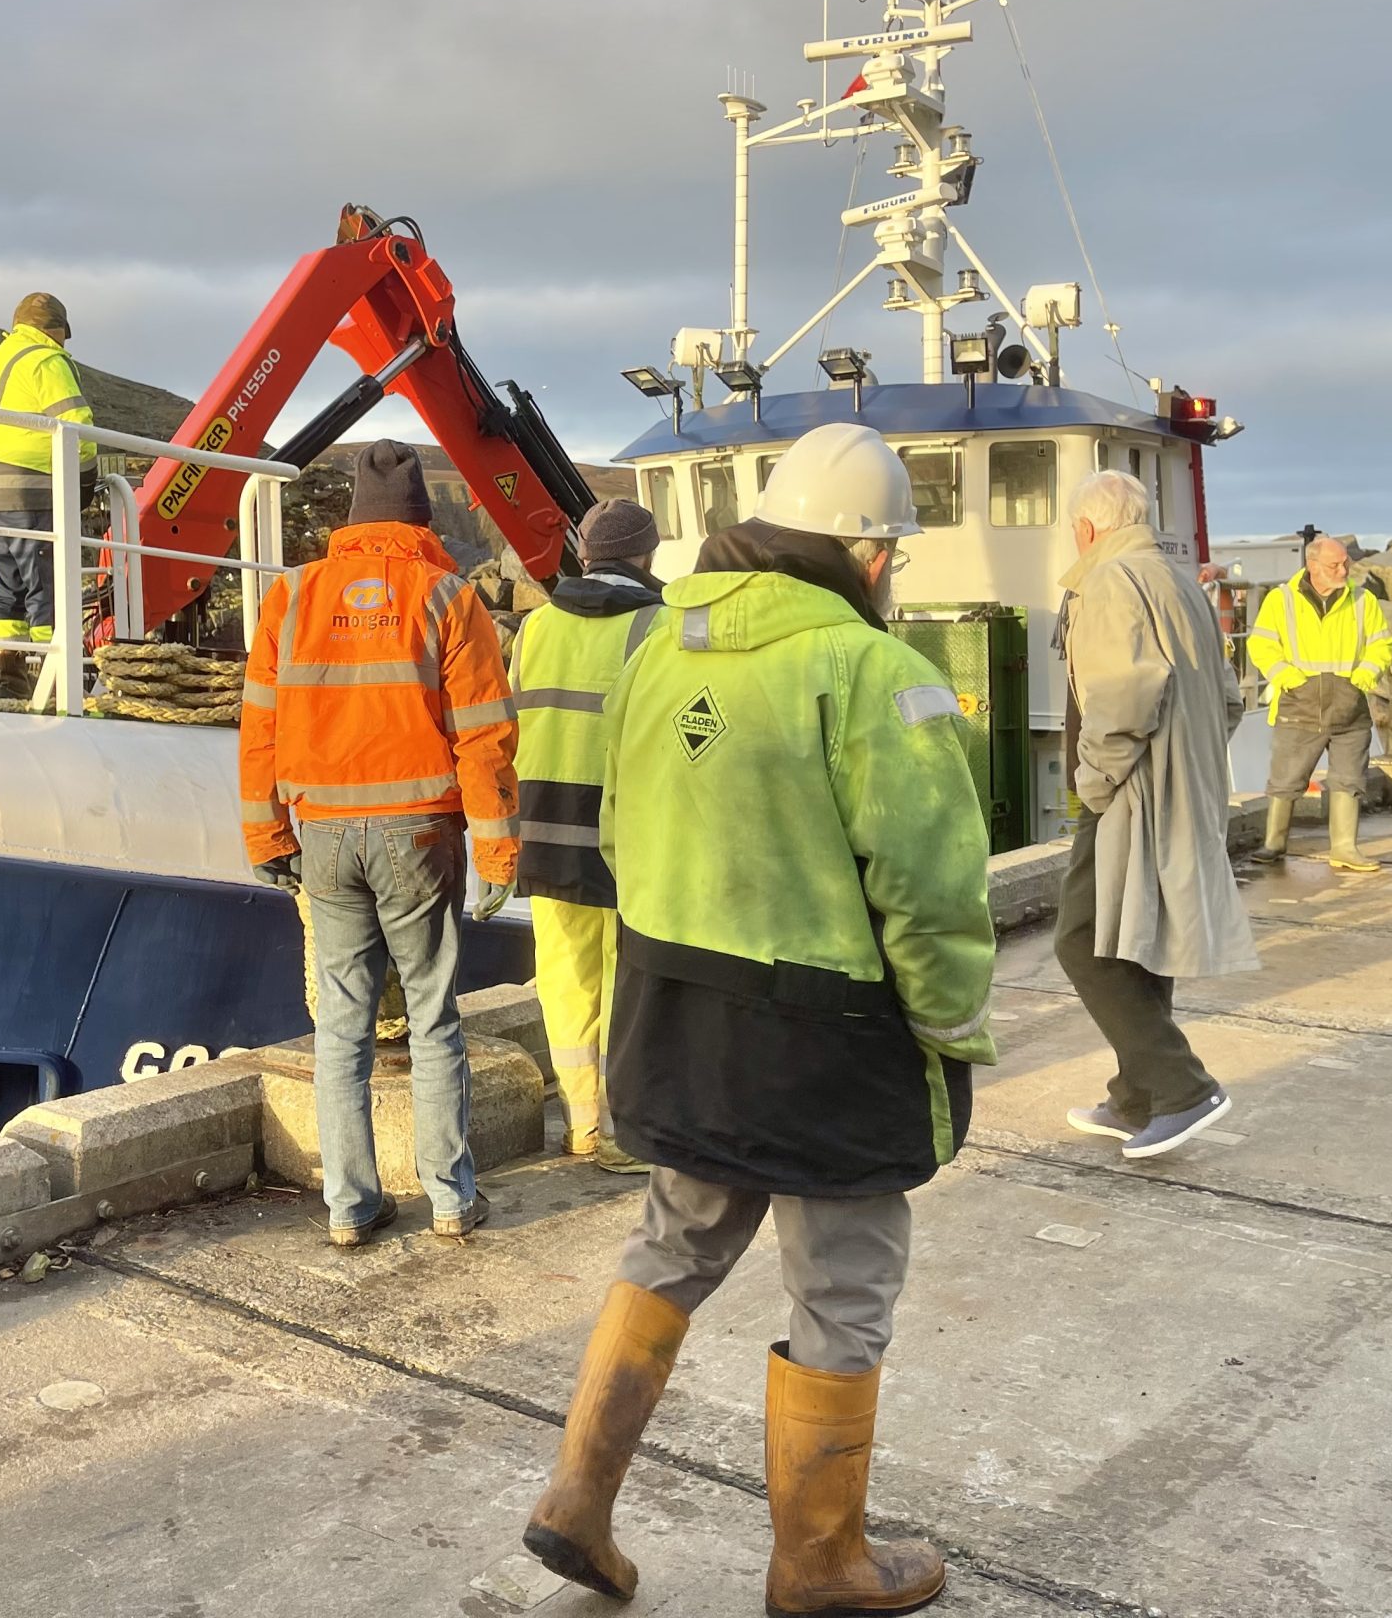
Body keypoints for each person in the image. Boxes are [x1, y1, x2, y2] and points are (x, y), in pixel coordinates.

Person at [523, 425, 994, 1616]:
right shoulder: (875, 672)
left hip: (676, 1014)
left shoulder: (659, 654)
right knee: (842, 1284)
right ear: (871, 555)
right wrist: (946, 1030)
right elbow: (933, 889)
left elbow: (623, 836)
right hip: (825, 1038)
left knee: (672, 1242)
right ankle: (821, 1560)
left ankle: (576, 1494)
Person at [238, 441, 518, 1246]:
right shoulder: (447, 598)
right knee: (432, 1018)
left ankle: (350, 1208)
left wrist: (266, 833)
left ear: (351, 521)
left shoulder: (290, 597)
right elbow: (484, 740)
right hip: (418, 835)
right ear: (422, 521)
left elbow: (259, 727)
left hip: (322, 835)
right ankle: (453, 1201)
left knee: (343, 1027)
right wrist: (498, 855)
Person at [1055, 468, 1257, 1160]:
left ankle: (1183, 1088)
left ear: (1086, 528)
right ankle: (1135, 1097)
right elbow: (1230, 699)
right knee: (1134, 937)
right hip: (1186, 787)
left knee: (1082, 941)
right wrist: (1188, 761)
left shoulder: (1110, 582)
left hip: (1129, 791)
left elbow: (1122, 697)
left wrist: (1098, 782)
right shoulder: (1180, 581)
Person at [508, 498, 664, 1175]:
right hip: (624, 833)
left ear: (586, 554)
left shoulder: (536, 627)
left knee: (566, 980)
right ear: (647, 555)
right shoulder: (658, 628)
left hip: (542, 829)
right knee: (630, 982)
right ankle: (623, 1133)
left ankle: (581, 1125)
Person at [1246, 532, 1392, 873]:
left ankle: (1345, 848)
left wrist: (1364, 677)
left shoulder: (1363, 600)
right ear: (1312, 565)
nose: (1343, 570)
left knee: (1349, 779)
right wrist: (1288, 677)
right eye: (1335, 564)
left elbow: (1381, 645)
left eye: (1346, 564)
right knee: (1285, 779)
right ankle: (1274, 843)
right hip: (1297, 704)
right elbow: (1262, 644)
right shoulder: (1280, 600)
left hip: (1350, 708)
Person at [0, 291, 95, 695]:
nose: (64, 343)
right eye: (64, 334)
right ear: (54, 329)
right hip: (34, 488)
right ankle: (58, 686)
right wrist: (86, 481)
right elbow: (78, 426)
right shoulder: (47, 360)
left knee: (7, 589)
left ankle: (10, 679)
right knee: (46, 586)